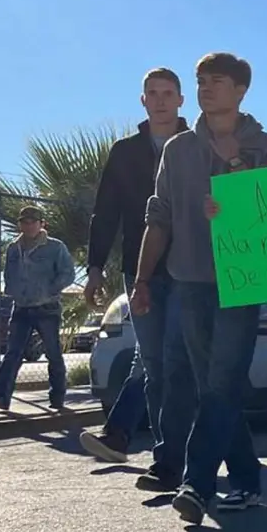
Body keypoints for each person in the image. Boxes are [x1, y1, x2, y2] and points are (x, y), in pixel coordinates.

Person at [133, 52, 267, 525]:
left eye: (216, 81)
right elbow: (157, 218)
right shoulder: (177, 149)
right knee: (213, 387)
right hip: (189, 281)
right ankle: (246, 478)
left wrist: (239, 182)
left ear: (241, 89)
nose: (205, 88)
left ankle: (197, 484)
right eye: (201, 81)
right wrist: (141, 280)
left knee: (221, 382)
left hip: (243, 283)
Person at [77, 69, 193, 490]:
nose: (160, 100)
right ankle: (163, 456)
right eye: (152, 94)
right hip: (139, 271)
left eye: (168, 93)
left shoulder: (199, 147)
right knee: (156, 361)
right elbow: (106, 212)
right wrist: (94, 269)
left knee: (176, 361)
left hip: (190, 271)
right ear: (142, 101)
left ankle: (175, 453)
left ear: (182, 100)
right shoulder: (124, 152)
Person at [0, 207, 74, 411]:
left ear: (42, 224)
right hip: (21, 308)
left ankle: (57, 396)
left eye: (33, 222)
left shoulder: (55, 247)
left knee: (53, 353)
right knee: (13, 352)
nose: (28, 225)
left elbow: (68, 274)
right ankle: (1, 396)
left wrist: (49, 289)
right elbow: (9, 273)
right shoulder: (14, 248)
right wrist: (11, 289)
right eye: (24, 222)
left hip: (47, 309)